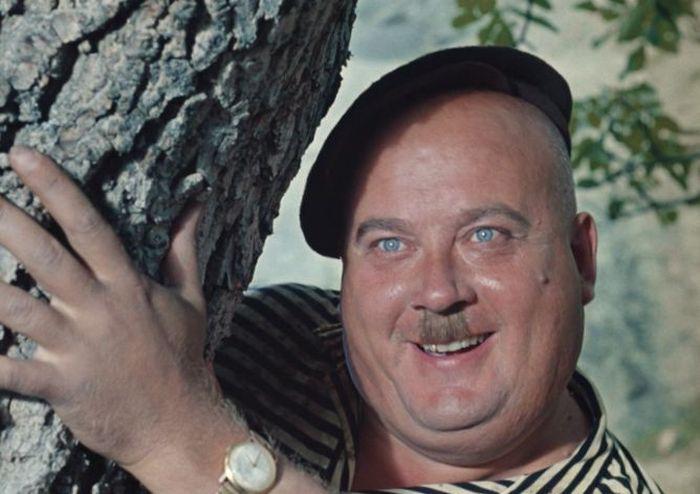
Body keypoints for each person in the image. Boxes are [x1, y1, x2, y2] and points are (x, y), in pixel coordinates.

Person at [0, 46, 662, 493]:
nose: (437, 292)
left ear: (580, 259)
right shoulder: (279, 333)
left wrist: (171, 432)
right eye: (389, 244)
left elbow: (158, 405)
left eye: (485, 236)